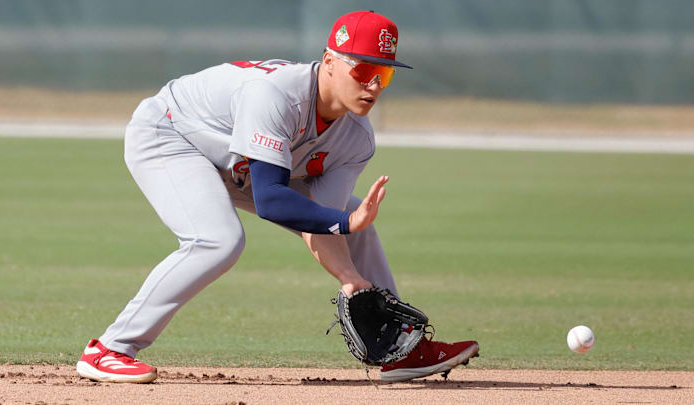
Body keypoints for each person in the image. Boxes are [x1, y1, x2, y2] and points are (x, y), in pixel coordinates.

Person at [76, 10, 479, 384]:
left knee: (355, 220)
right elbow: (270, 200)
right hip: (172, 134)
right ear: (331, 61)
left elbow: (320, 221)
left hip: (240, 160)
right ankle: (110, 348)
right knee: (218, 240)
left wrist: (351, 278)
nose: (373, 85)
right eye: (364, 69)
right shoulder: (277, 95)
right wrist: (340, 224)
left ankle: (398, 350)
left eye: (385, 75)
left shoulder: (355, 138)